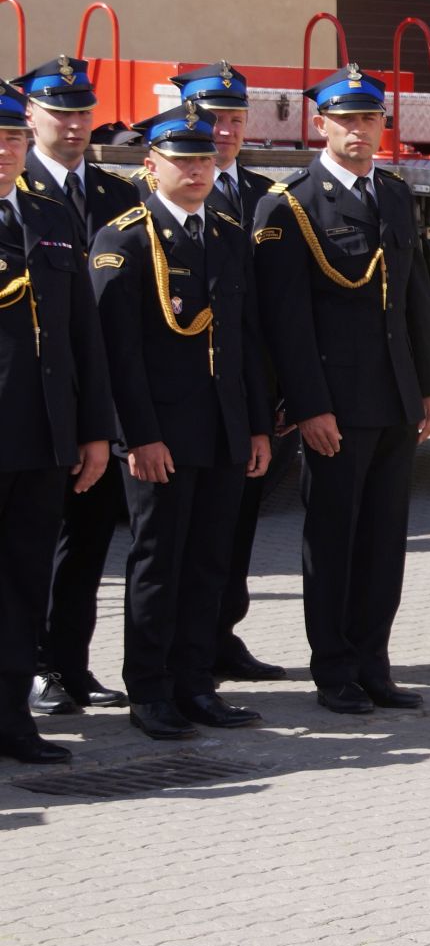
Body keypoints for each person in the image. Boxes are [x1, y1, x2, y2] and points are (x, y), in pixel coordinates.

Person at [252, 64, 430, 714]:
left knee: (385, 541)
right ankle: (334, 669)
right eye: (347, 120)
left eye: (369, 118)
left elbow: (415, 297)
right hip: (336, 404)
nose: (359, 130)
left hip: (393, 398)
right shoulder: (292, 205)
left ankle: (373, 663)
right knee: (334, 539)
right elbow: (287, 322)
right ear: (321, 125)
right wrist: (309, 406)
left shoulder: (392, 194)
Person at [89, 104, 273, 739]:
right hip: (161, 435)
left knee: (209, 562)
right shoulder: (124, 239)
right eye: (182, 159)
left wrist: (255, 426)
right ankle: (150, 691)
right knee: (158, 562)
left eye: (203, 159)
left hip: (221, 430)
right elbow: (118, 354)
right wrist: (138, 436)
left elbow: (246, 340)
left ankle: (196, 684)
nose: (196, 170)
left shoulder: (225, 234)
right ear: (151, 165)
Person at [18, 55, 138, 716]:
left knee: (89, 542)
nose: (73, 123)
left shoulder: (119, 194)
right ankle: (31, 667)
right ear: (30, 115)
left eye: (83, 111)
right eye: (59, 112)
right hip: (35, 406)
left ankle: (72, 662)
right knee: (31, 546)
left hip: (102, 401)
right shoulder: (18, 189)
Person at [0, 82, 112, 764]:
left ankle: (13, 718)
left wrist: (93, 429)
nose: (5, 150)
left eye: (13, 137)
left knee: (23, 583)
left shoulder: (47, 215)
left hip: (43, 438)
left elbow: (81, 334)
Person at [172, 61, 288, 681]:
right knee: (180, 537)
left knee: (237, 523)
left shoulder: (267, 196)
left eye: (236, 119)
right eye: (213, 118)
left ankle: (222, 635)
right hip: (185, 395)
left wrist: (276, 392)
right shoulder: (163, 195)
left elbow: (277, 306)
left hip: (247, 389)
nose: (225, 130)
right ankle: (178, 652)